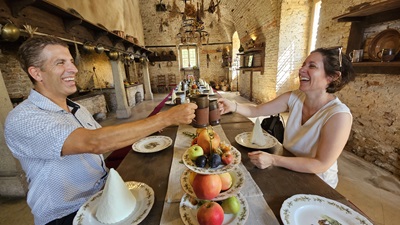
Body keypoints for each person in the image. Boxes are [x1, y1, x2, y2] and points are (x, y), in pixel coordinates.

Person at [4, 35, 197, 225]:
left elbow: (105, 139)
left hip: (102, 196)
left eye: (71, 61)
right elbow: (96, 143)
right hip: (66, 214)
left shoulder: (77, 109)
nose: (73, 69)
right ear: (36, 73)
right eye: (60, 63)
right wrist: (165, 118)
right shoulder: (24, 118)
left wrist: (149, 129)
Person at [218, 47, 355, 188]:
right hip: (288, 167)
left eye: (312, 66)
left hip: (317, 182)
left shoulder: (339, 115)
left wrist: (273, 160)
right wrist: (232, 106)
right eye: (303, 65)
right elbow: (256, 110)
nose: (301, 70)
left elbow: (321, 164)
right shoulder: (295, 97)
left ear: (332, 77)